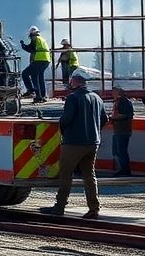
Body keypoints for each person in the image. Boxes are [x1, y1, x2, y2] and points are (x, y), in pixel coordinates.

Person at [45, 69, 107, 219]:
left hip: (73, 143)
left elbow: (66, 119)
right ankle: (94, 208)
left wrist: (62, 130)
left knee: (66, 174)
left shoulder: (73, 98)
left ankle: (60, 206)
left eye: (71, 80)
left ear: (76, 81)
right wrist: (94, 131)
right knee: (89, 175)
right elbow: (105, 119)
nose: (70, 83)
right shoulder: (97, 98)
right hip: (93, 143)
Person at [20, 27, 51, 103]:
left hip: (39, 60)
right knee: (40, 77)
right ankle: (42, 96)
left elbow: (31, 49)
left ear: (32, 34)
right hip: (46, 60)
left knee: (26, 74)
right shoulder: (42, 39)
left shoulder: (35, 39)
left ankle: (33, 92)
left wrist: (23, 45)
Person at [109, 84, 133, 177]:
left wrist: (112, 118)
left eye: (114, 91)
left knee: (121, 151)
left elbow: (124, 115)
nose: (112, 93)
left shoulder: (123, 102)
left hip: (123, 131)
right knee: (118, 151)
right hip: (119, 130)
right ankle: (122, 169)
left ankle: (125, 170)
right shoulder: (119, 101)